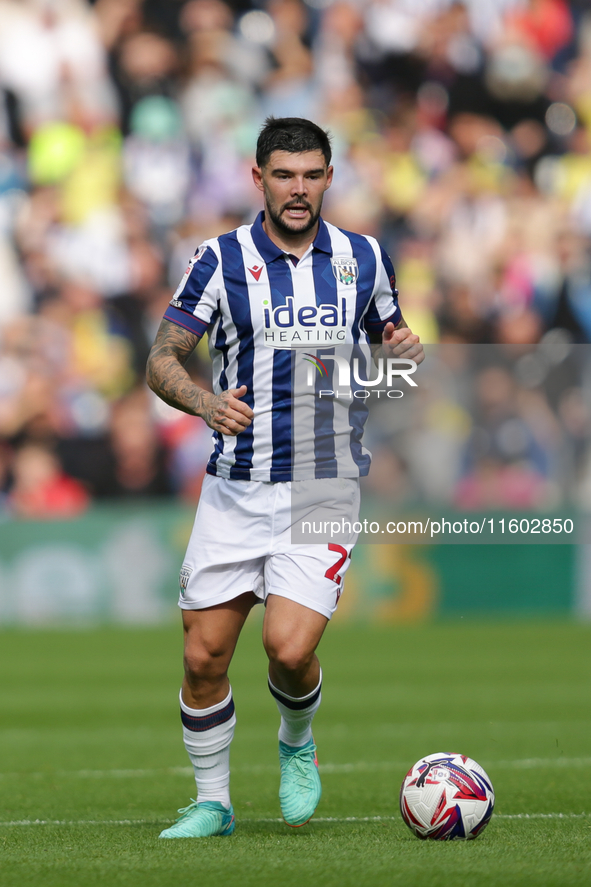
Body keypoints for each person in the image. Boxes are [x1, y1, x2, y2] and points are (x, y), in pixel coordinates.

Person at [146, 116, 423, 839]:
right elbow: (161, 359)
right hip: (234, 488)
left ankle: (297, 743)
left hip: (322, 484)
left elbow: (385, 359)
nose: (297, 189)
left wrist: (402, 356)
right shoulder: (218, 258)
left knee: (290, 649)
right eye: (283, 174)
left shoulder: (363, 258)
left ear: (328, 178)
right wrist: (207, 402)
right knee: (203, 654)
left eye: (310, 175)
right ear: (258, 178)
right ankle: (213, 802)